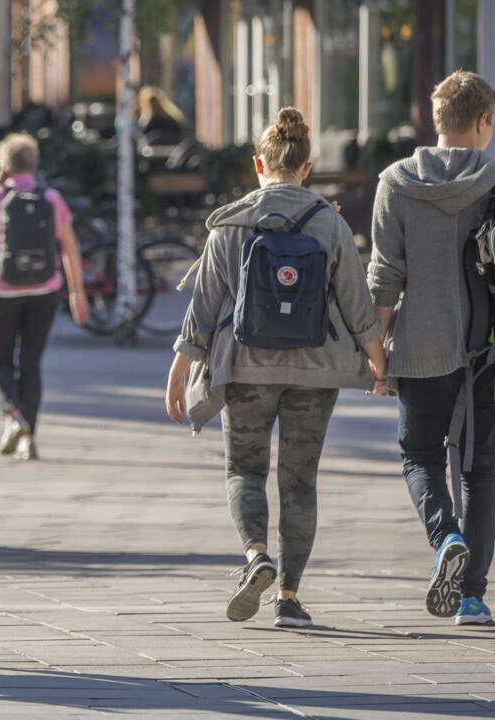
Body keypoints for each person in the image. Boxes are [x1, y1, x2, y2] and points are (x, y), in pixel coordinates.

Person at [165, 108, 387, 628]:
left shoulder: (230, 224)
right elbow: (358, 306)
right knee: (299, 479)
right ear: (306, 168)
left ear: (258, 164)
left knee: (244, 469)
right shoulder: (330, 224)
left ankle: (255, 556)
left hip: (244, 368)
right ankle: (288, 597)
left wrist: (179, 372)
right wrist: (378, 365)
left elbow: (202, 310)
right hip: (317, 371)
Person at [368, 71, 495, 625]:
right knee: (478, 469)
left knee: (420, 455)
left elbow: (384, 276)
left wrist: (375, 350)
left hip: (420, 345)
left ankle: (444, 536)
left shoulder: (396, 183)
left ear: (435, 120)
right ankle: (470, 597)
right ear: (483, 122)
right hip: (493, 345)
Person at [0, 132, 88, 461]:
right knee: (30, 362)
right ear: (35, 163)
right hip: (45, 290)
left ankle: (14, 415)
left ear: (4, 165)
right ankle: (28, 437)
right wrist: (78, 294)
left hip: (3, 290)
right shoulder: (51, 198)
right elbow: (70, 249)